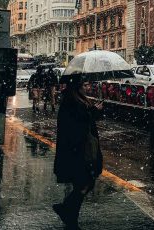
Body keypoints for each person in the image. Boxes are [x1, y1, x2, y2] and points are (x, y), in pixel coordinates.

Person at [53, 75, 103, 229]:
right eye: (84, 85)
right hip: (77, 150)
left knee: (83, 183)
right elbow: (79, 124)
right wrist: (94, 111)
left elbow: (87, 120)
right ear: (77, 87)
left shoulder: (77, 100)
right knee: (85, 182)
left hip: (79, 149)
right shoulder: (72, 102)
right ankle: (68, 213)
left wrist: (95, 110)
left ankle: (68, 212)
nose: (87, 88)